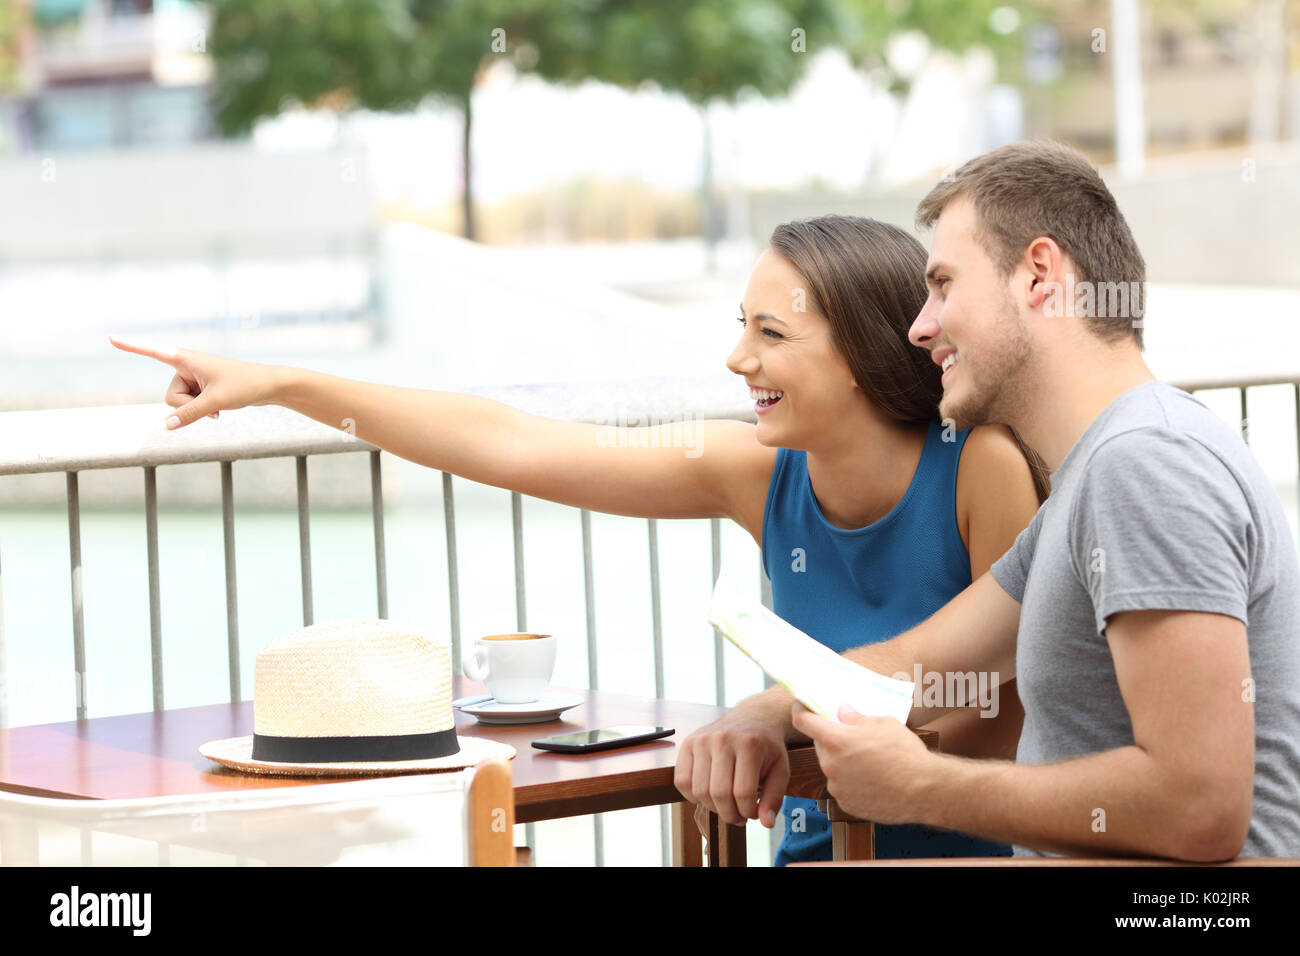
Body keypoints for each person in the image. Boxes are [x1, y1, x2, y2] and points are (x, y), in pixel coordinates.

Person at [110, 214, 1044, 864]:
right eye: (739, 328)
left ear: (863, 354)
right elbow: (516, 443)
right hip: (811, 849)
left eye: (770, 333)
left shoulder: (980, 467)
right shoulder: (756, 473)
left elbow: (992, 719)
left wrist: (767, 714)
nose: (736, 359)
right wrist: (284, 385)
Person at [679, 141, 1300, 860]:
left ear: (1039, 275)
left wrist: (921, 786)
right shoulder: (1096, 474)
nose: (919, 326)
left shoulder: (1144, 464)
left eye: (943, 285)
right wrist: (764, 713)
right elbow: (918, 667)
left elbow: (1199, 807)